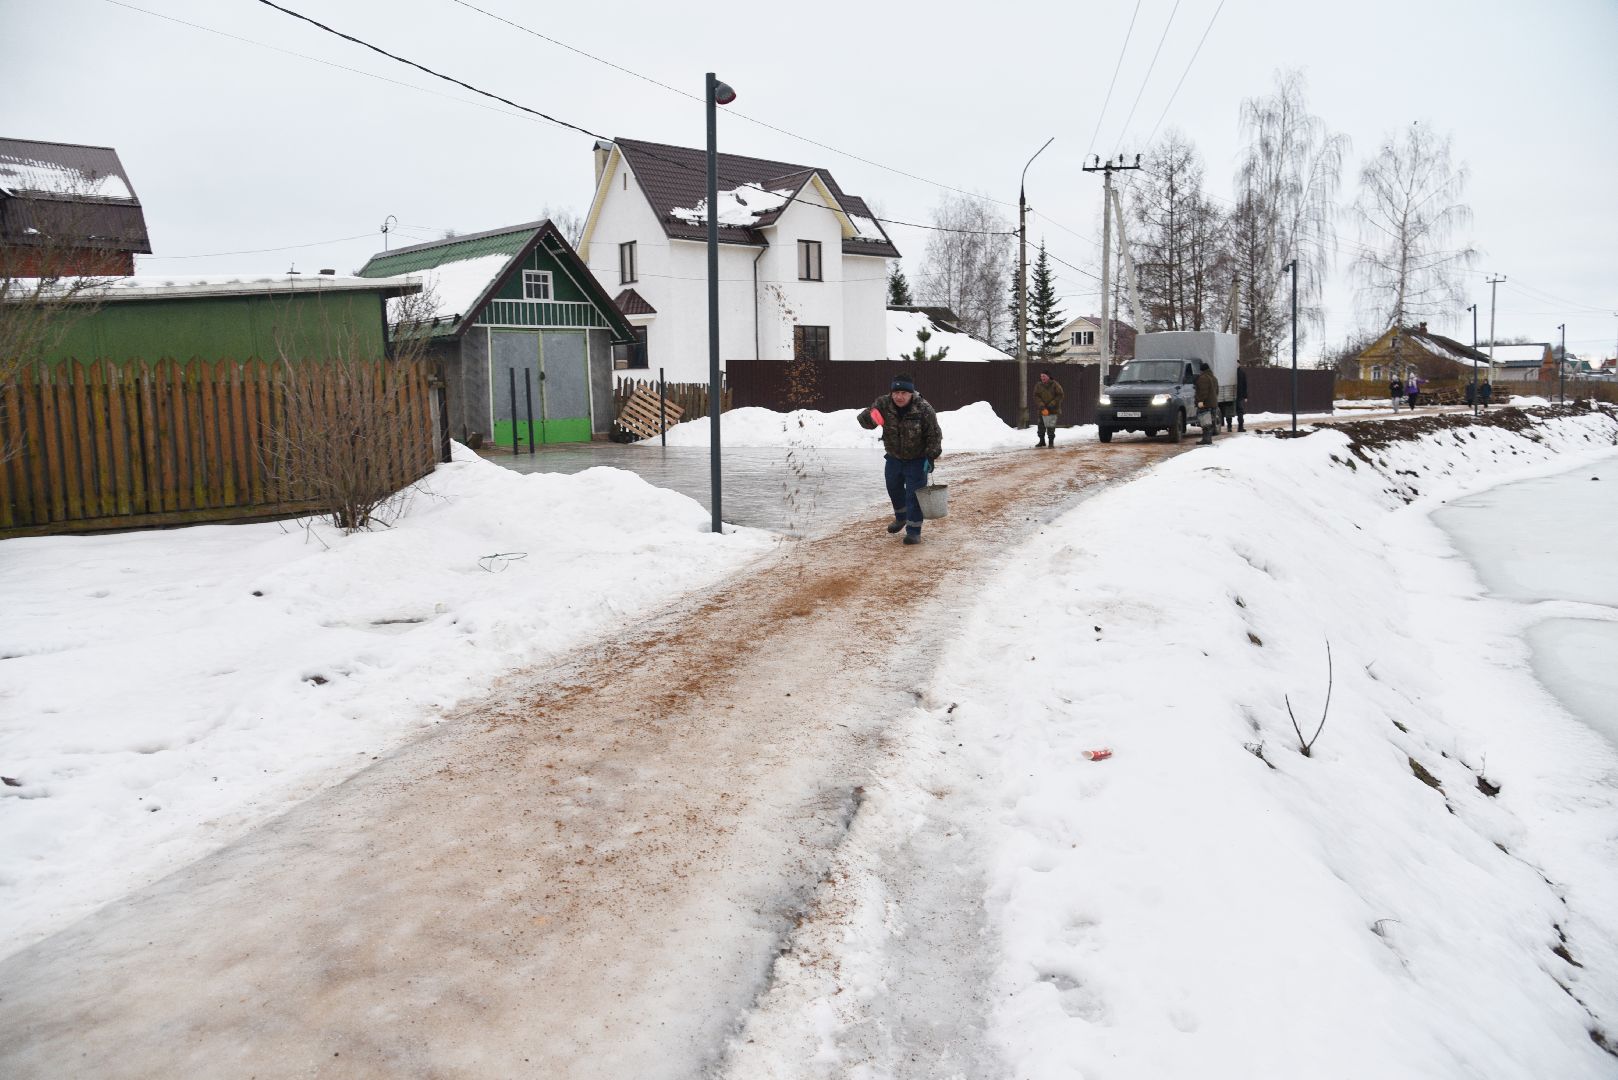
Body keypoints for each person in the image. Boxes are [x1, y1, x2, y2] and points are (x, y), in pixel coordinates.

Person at [857, 372, 942, 545]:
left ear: (911, 393)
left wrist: (931, 457)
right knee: (893, 488)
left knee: (914, 496)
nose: (899, 396)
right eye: (896, 393)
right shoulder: (883, 403)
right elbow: (865, 421)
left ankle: (913, 532)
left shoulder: (923, 408)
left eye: (903, 393)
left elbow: (934, 434)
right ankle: (901, 517)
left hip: (917, 460)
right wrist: (870, 416)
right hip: (894, 458)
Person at [1033, 369, 1064, 448]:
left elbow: (1060, 395)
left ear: (1048, 376)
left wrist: (1052, 403)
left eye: (1044, 376)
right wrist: (1041, 405)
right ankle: (1042, 441)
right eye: (1041, 376)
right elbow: (1036, 396)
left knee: (1050, 427)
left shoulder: (1055, 384)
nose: (1042, 377)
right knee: (1041, 426)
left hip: (1053, 409)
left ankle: (1051, 443)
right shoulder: (1038, 385)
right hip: (1042, 409)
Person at [1195, 361, 1219, 445]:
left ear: (1202, 370)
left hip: (1205, 404)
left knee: (1205, 423)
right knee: (1210, 422)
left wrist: (1200, 401)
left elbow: (1203, 391)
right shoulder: (1214, 378)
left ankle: (1206, 440)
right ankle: (1208, 439)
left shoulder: (1203, 378)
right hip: (1213, 404)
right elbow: (1216, 391)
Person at [1228, 364, 1249, 432]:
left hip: (1232, 394)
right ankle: (1240, 427)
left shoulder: (1229, 371)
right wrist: (1245, 396)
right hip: (1237, 395)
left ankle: (1230, 427)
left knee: (1230, 410)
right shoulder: (1242, 372)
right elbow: (1245, 385)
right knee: (1239, 411)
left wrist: (1245, 396)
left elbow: (1245, 385)